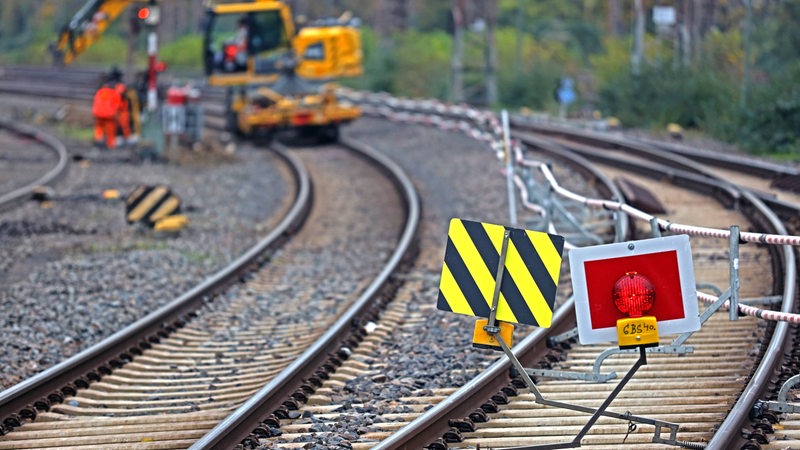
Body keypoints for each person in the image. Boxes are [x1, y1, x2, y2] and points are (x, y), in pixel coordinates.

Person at [92, 67, 124, 149]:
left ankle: (98, 141)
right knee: (110, 130)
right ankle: (110, 146)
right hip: (109, 115)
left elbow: (95, 102)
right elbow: (119, 106)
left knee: (99, 128)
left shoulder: (101, 91)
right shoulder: (115, 93)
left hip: (98, 114)